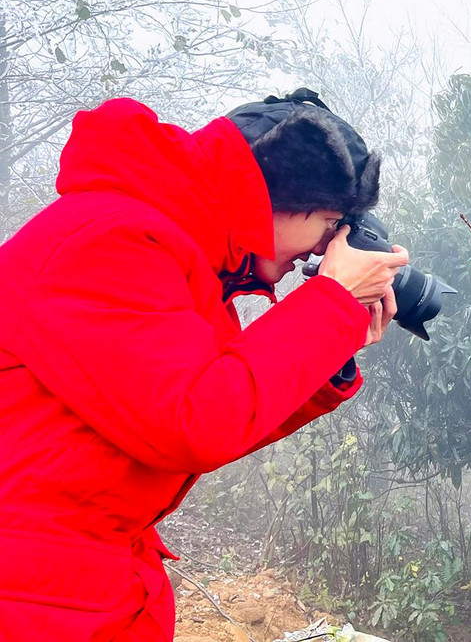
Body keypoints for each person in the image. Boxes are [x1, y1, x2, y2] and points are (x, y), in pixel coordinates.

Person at [0, 89, 409, 641]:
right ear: (284, 195)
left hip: (75, 591)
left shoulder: (175, 259)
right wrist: (329, 302)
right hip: (38, 599)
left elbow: (223, 408)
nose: (321, 250)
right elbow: (197, 423)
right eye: (331, 223)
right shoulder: (113, 240)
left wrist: (333, 345)